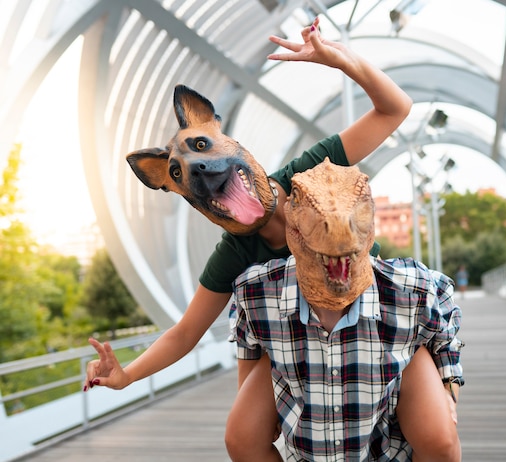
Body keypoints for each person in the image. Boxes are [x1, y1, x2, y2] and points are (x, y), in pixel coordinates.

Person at [84, 18, 458, 460]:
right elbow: (185, 333)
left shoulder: (310, 171)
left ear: (220, 131)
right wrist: (126, 375)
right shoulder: (237, 255)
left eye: (201, 147)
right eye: (181, 173)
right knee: (241, 436)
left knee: (438, 437)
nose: (198, 168)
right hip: (298, 343)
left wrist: (342, 61)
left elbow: (394, 108)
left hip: (374, 327)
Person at [230, 160, 463, 461]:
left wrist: (449, 388)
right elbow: (247, 342)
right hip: (304, 405)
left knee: (441, 441)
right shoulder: (257, 290)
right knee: (240, 435)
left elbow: (443, 330)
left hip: (385, 423)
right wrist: (251, 405)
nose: (337, 223)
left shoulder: (412, 287)